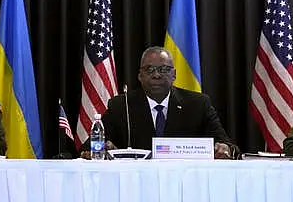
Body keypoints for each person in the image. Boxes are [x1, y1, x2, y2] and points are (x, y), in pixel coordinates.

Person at [81, 46, 239, 159]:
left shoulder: (198, 104)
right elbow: (88, 147)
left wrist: (225, 149)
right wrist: (103, 148)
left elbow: (228, 146)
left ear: (174, 74)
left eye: (164, 69)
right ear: (140, 76)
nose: (156, 75)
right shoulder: (122, 105)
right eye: (149, 69)